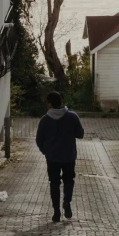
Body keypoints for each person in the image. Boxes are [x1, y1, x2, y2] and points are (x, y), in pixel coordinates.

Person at [36, 91, 85, 222]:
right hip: (69, 156)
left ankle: (56, 212)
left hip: (52, 158)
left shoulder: (44, 120)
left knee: (54, 183)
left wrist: (45, 151)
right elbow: (80, 134)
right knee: (69, 180)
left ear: (50, 103)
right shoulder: (72, 116)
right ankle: (67, 201)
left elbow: (39, 139)